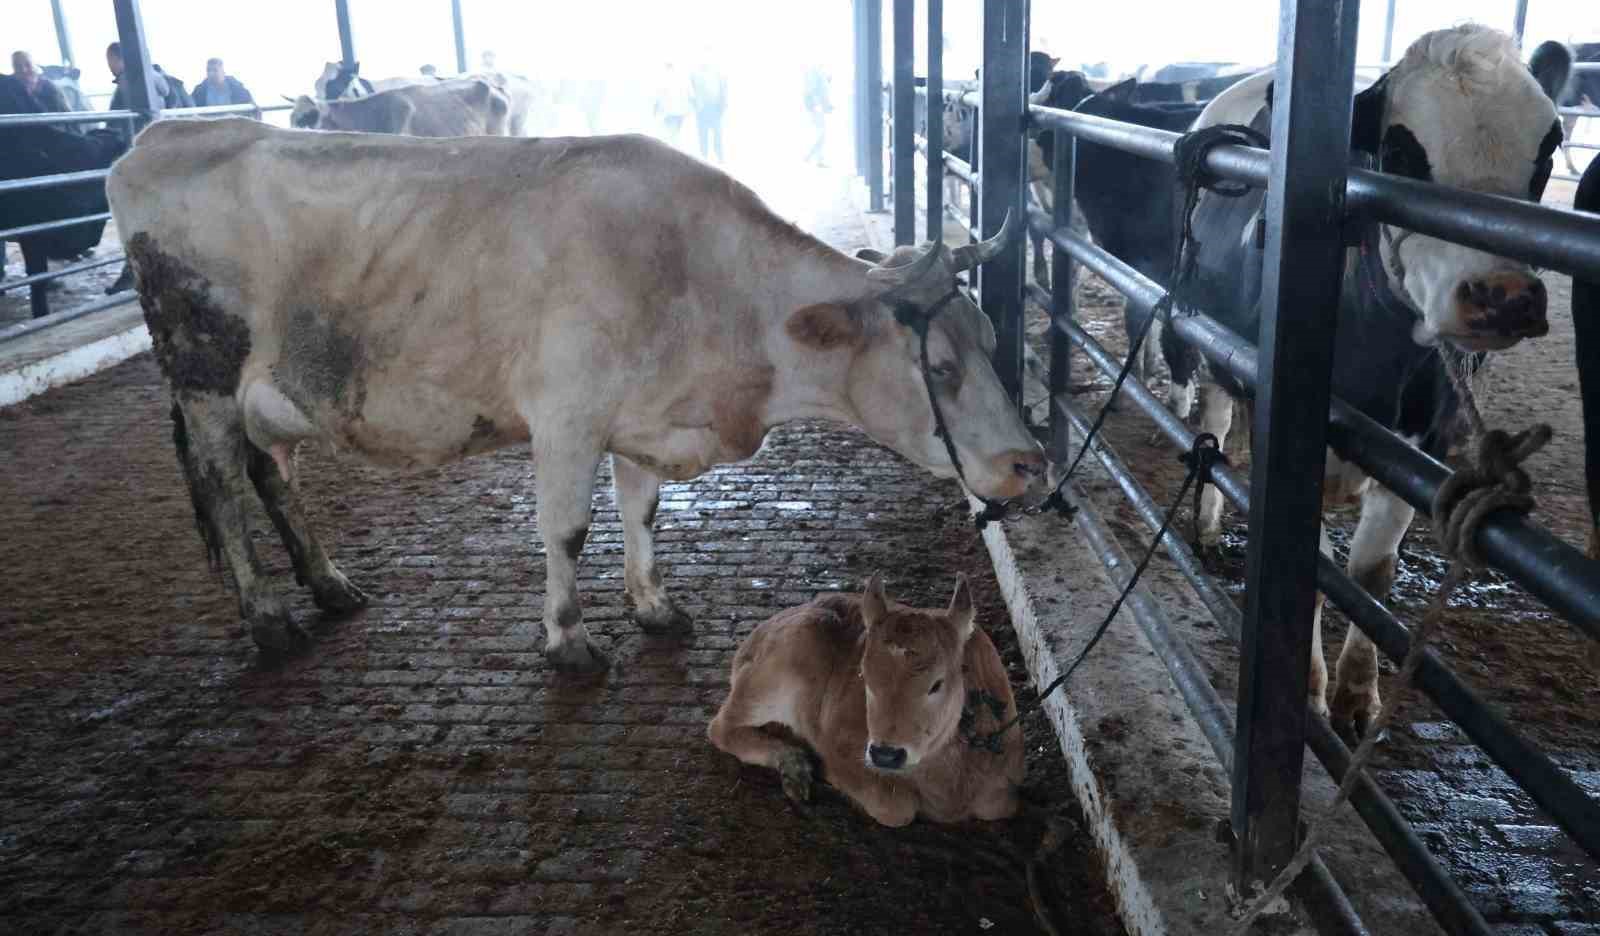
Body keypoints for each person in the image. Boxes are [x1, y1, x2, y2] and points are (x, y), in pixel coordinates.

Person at [106, 42, 192, 116]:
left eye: (111, 59)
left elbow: (113, 124)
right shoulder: (175, 84)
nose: (109, 66)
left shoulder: (124, 90)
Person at [10, 51, 71, 117]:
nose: (23, 70)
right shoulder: (9, 90)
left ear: (35, 66)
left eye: (28, 65)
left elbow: (67, 117)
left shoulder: (50, 88)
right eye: (18, 66)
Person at [689, 61, 727, 163]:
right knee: (703, 137)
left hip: (714, 109)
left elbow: (723, 90)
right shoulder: (694, 74)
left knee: (717, 136)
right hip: (702, 110)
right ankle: (704, 160)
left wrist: (722, 107)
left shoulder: (718, 73)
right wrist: (695, 105)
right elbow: (691, 91)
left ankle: (720, 159)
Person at [190, 57, 254, 108]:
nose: (211, 73)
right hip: (209, 123)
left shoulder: (237, 89)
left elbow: (252, 107)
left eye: (215, 70)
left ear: (223, 71)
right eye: (208, 70)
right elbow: (190, 109)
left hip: (232, 123)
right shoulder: (199, 91)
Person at [803, 63, 832, 166]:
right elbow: (813, 89)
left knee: (821, 132)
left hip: (817, 106)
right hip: (816, 106)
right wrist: (818, 105)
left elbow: (821, 89)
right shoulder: (814, 70)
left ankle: (819, 159)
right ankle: (808, 155)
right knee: (821, 133)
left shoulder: (818, 71)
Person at [654, 62, 689, 146]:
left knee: (669, 133)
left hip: (669, 111)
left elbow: (660, 96)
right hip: (679, 111)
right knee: (675, 132)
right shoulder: (681, 79)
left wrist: (656, 109)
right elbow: (688, 94)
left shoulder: (664, 79)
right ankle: (674, 146)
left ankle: (672, 148)